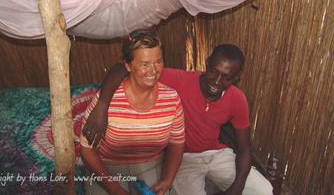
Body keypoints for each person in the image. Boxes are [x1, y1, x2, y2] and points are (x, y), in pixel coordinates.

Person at [83, 43, 274, 195]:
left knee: (264, 191)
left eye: (226, 78)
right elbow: (122, 68)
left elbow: (245, 148)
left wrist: (237, 188)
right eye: (214, 72)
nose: (216, 82)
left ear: (237, 77)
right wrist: (102, 105)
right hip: (185, 158)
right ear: (207, 63)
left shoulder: (237, 98)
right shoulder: (180, 80)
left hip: (218, 155)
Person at [80, 28, 185, 195]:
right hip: (107, 169)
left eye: (158, 61)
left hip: (150, 166)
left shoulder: (171, 98)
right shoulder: (107, 101)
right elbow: (87, 151)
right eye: (144, 64)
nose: (153, 70)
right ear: (128, 65)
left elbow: (176, 143)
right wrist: (114, 189)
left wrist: (167, 180)